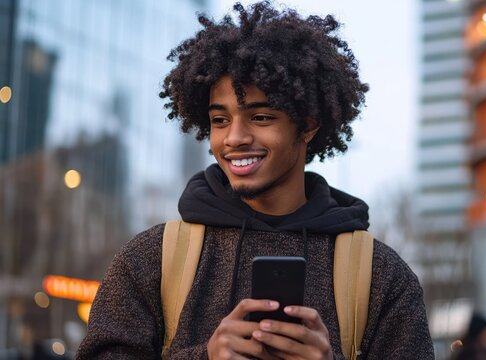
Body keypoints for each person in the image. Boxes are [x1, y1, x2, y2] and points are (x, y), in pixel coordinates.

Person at [76, 2, 434, 359]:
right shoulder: (151, 258)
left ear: (308, 125)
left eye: (260, 117)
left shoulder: (380, 275)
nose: (234, 138)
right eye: (219, 120)